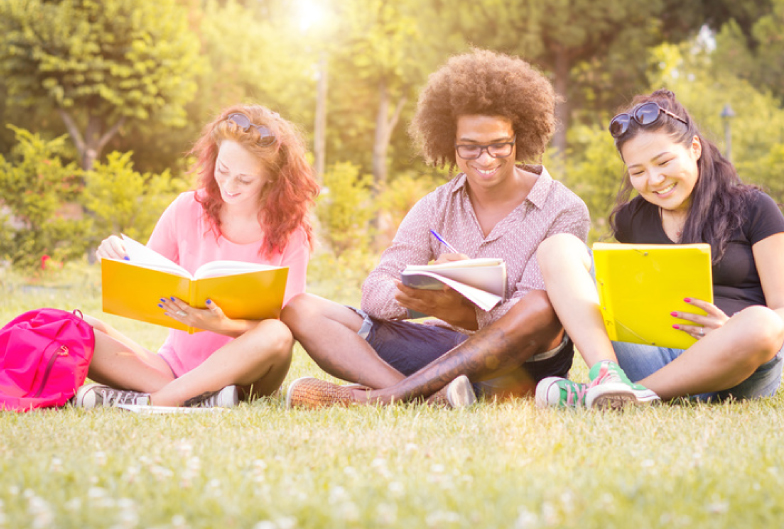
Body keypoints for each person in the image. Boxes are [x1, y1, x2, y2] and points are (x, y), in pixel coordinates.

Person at [282, 49, 590, 408]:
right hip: (442, 351)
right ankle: (427, 394)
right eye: (470, 147)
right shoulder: (434, 206)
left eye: (499, 144)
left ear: (519, 137)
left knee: (538, 306)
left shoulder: (564, 208)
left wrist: (459, 309)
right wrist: (424, 290)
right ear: (450, 143)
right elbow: (375, 292)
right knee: (302, 309)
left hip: (521, 362)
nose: (486, 158)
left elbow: (538, 316)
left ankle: (385, 399)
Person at [535, 89, 784, 408]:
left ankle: (626, 395)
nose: (655, 179)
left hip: (739, 362)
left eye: (664, 162)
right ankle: (610, 380)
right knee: (558, 247)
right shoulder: (632, 219)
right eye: (638, 172)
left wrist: (730, 327)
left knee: (764, 323)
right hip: (654, 353)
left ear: (694, 148)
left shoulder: (755, 207)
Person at [74, 104, 319, 408]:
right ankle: (196, 398)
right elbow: (146, 277)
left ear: (271, 177)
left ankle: (153, 403)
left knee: (276, 332)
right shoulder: (186, 207)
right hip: (173, 369)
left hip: (248, 376)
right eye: (223, 170)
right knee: (80, 329)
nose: (229, 186)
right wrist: (117, 254)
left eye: (244, 180)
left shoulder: (290, 232)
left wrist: (221, 324)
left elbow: (289, 327)